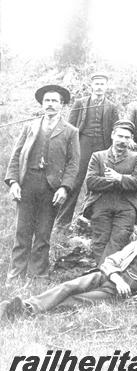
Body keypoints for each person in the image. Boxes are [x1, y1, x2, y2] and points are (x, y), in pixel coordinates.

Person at [0, 216, 137, 319]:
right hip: (108, 277)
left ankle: (27, 312)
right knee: (68, 286)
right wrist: (117, 278)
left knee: (77, 299)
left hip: (119, 293)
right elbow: (109, 261)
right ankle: (26, 305)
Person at [4, 85, 80, 280]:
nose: (50, 104)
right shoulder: (30, 127)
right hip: (27, 184)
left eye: (55, 101)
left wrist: (64, 188)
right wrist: (13, 182)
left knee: (43, 233)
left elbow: (73, 163)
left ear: (62, 105)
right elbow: (16, 156)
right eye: (47, 100)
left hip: (51, 188)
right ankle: (16, 274)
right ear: (42, 104)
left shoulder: (70, 131)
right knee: (22, 231)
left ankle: (38, 274)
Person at [58, 73, 120, 229]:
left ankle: (93, 220)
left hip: (102, 148)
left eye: (102, 84)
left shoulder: (112, 107)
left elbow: (116, 128)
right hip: (82, 146)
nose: (99, 87)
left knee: (100, 182)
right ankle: (62, 223)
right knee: (75, 181)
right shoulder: (81, 103)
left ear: (106, 86)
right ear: (92, 86)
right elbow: (70, 127)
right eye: (97, 84)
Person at [82, 120, 137, 263]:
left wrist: (119, 178)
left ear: (131, 139)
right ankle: (106, 275)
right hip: (101, 203)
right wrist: (119, 182)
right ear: (112, 135)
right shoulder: (98, 156)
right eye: (120, 136)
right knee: (99, 241)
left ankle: (101, 275)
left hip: (126, 205)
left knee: (118, 241)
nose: (122, 141)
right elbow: (91, 182)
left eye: (127, 138)